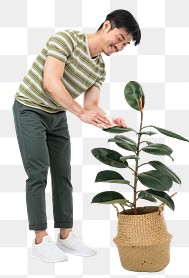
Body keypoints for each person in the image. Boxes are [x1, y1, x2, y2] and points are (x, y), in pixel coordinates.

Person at [12, 9, 141, 263]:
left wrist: (110, 122)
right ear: (106, 25)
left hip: (57, 114)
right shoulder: (66, 39)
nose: (120, 46)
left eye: (125, 44)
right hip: (30, 108)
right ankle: (40, 239)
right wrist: (80, 112)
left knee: (63, 173)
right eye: (120, 37)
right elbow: (51, 81)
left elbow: (91, 107)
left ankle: (66, 235)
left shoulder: (100, 68)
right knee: (38, 172)